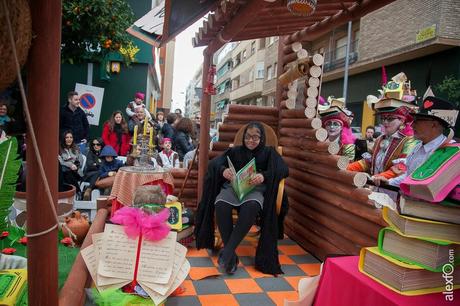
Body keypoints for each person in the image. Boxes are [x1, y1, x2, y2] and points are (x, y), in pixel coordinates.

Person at [194, 122, 289, 275]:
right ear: (243, 137)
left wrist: (263, 176)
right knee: (221, 204)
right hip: (233, 188)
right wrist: (223, 171)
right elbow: (215, 164)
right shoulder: (235, 151)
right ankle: (230, 256)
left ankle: (228, 252)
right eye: (248, 137)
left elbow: (283, 170)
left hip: (254, 190)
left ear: (262, 138)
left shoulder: (269, 152)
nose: (251, 141)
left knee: (252, 205)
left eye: (255, 137)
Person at [375, 96, 458, 187]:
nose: (412, 125)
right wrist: (389, 182)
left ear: (434, 124)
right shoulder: (417, 147)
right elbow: (409, 176)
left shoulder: (451, 151)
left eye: (417, 120)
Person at [347, 99, 418, 180]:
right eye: (383, 118)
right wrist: (347, 168)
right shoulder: (379, 139)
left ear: (402, 120)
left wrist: (377, 177)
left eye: (390, 119)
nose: (385, 122)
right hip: (375, 186)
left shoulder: (409, 141)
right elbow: (368, 161)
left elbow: (401, 166)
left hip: (393, 189)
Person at [58, 130, 84, 195]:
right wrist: (70, 164)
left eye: (71, 137)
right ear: (63, 139)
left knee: (68, 174)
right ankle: (78, 191)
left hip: (76, 172)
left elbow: (80, 161)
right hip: (64, 172)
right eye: (67, 137)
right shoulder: (59, 149)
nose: (69, 139)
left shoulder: (76, 148)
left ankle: (76, 192)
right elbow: (60, 161)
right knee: (67, 173)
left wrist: (74, 165)